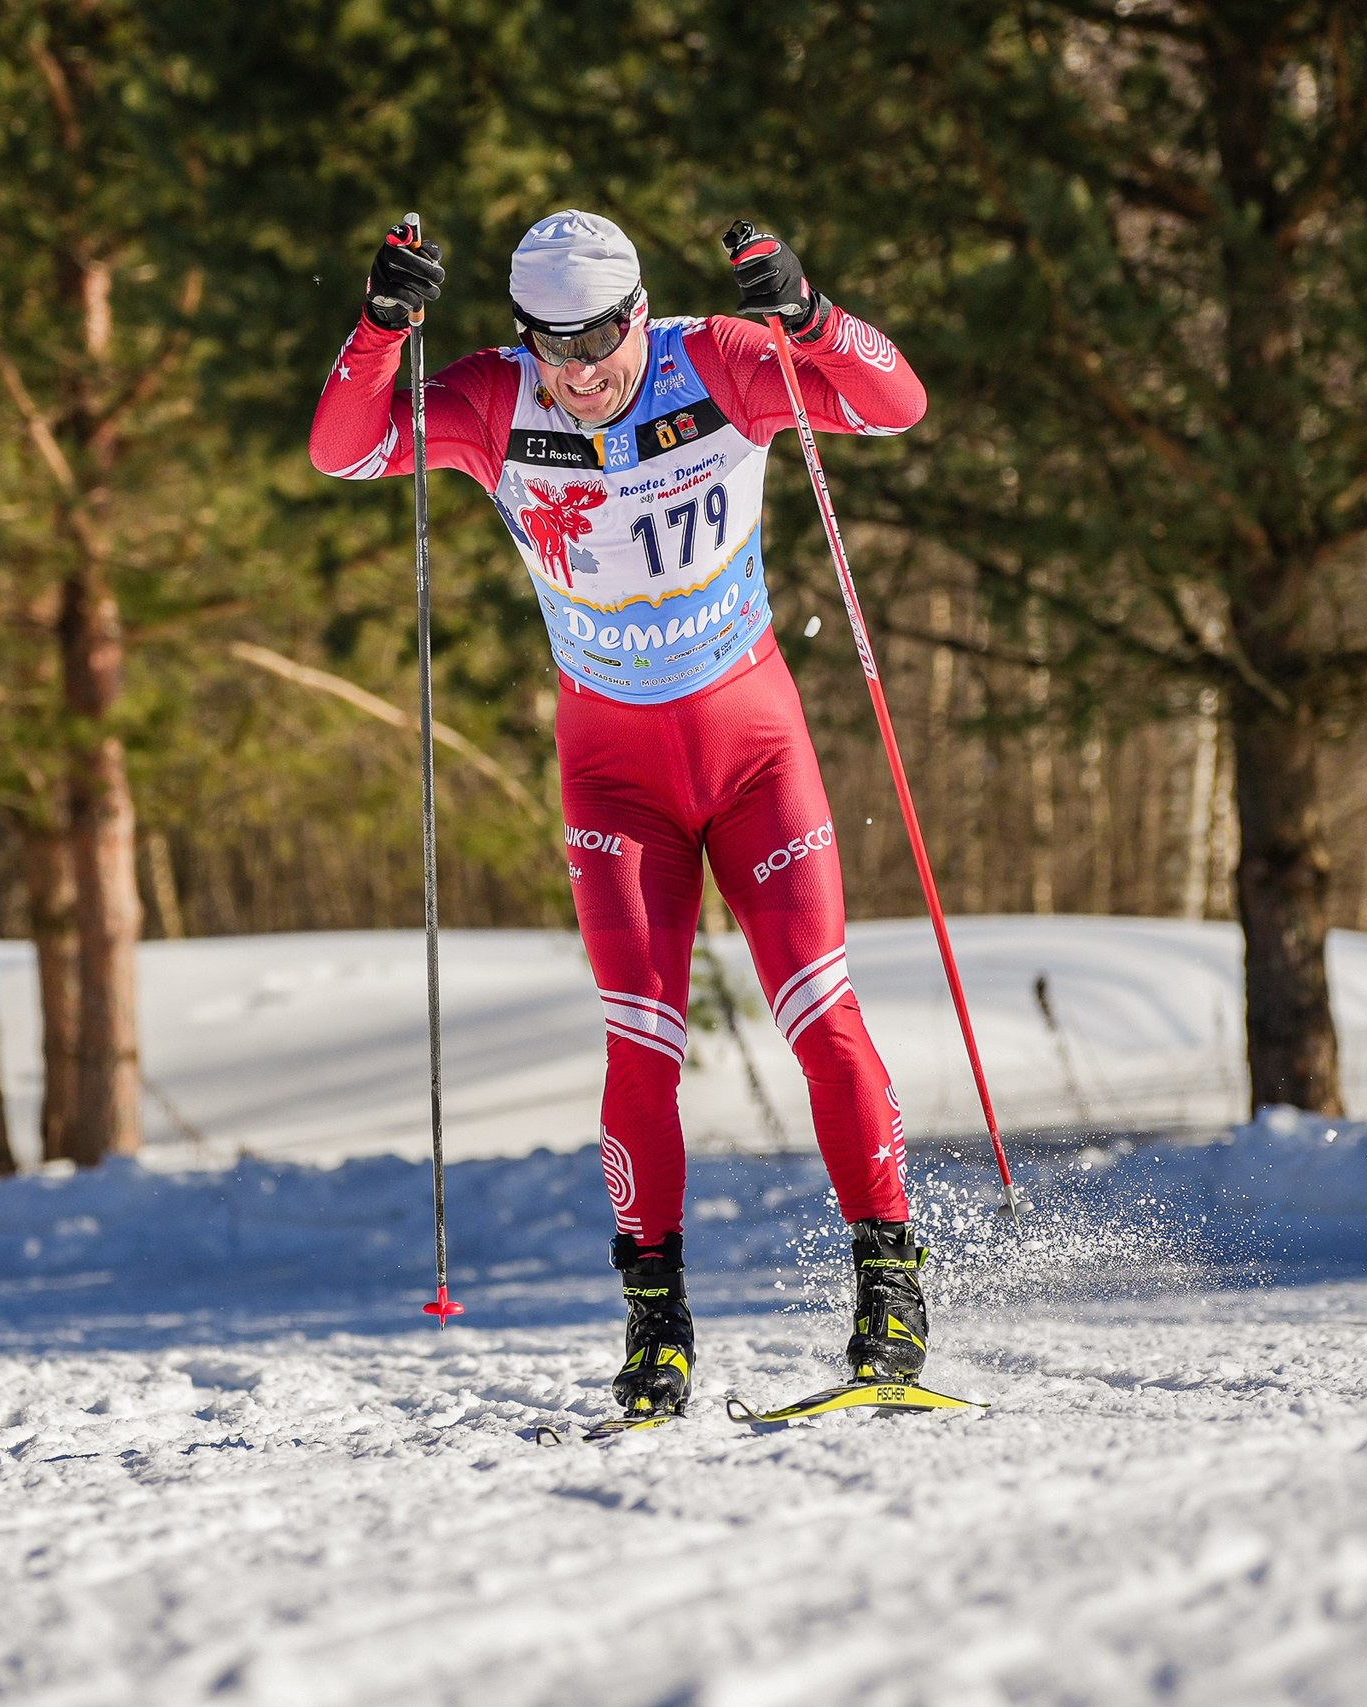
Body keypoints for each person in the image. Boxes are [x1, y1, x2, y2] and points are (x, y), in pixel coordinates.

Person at [310, 209, 933, 1420]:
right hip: (615, 778)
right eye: (551, 343)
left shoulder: (722, 362)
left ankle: (890, 1294)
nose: (579, 369)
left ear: (639, 314)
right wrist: (381, 328)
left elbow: (893, 405)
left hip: (755, 757)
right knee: (640, 1046)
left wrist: (808, 316)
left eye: (598, 338)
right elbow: (342, 452)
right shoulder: (494, 400)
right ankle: (656, 1330)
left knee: (822, 1016)